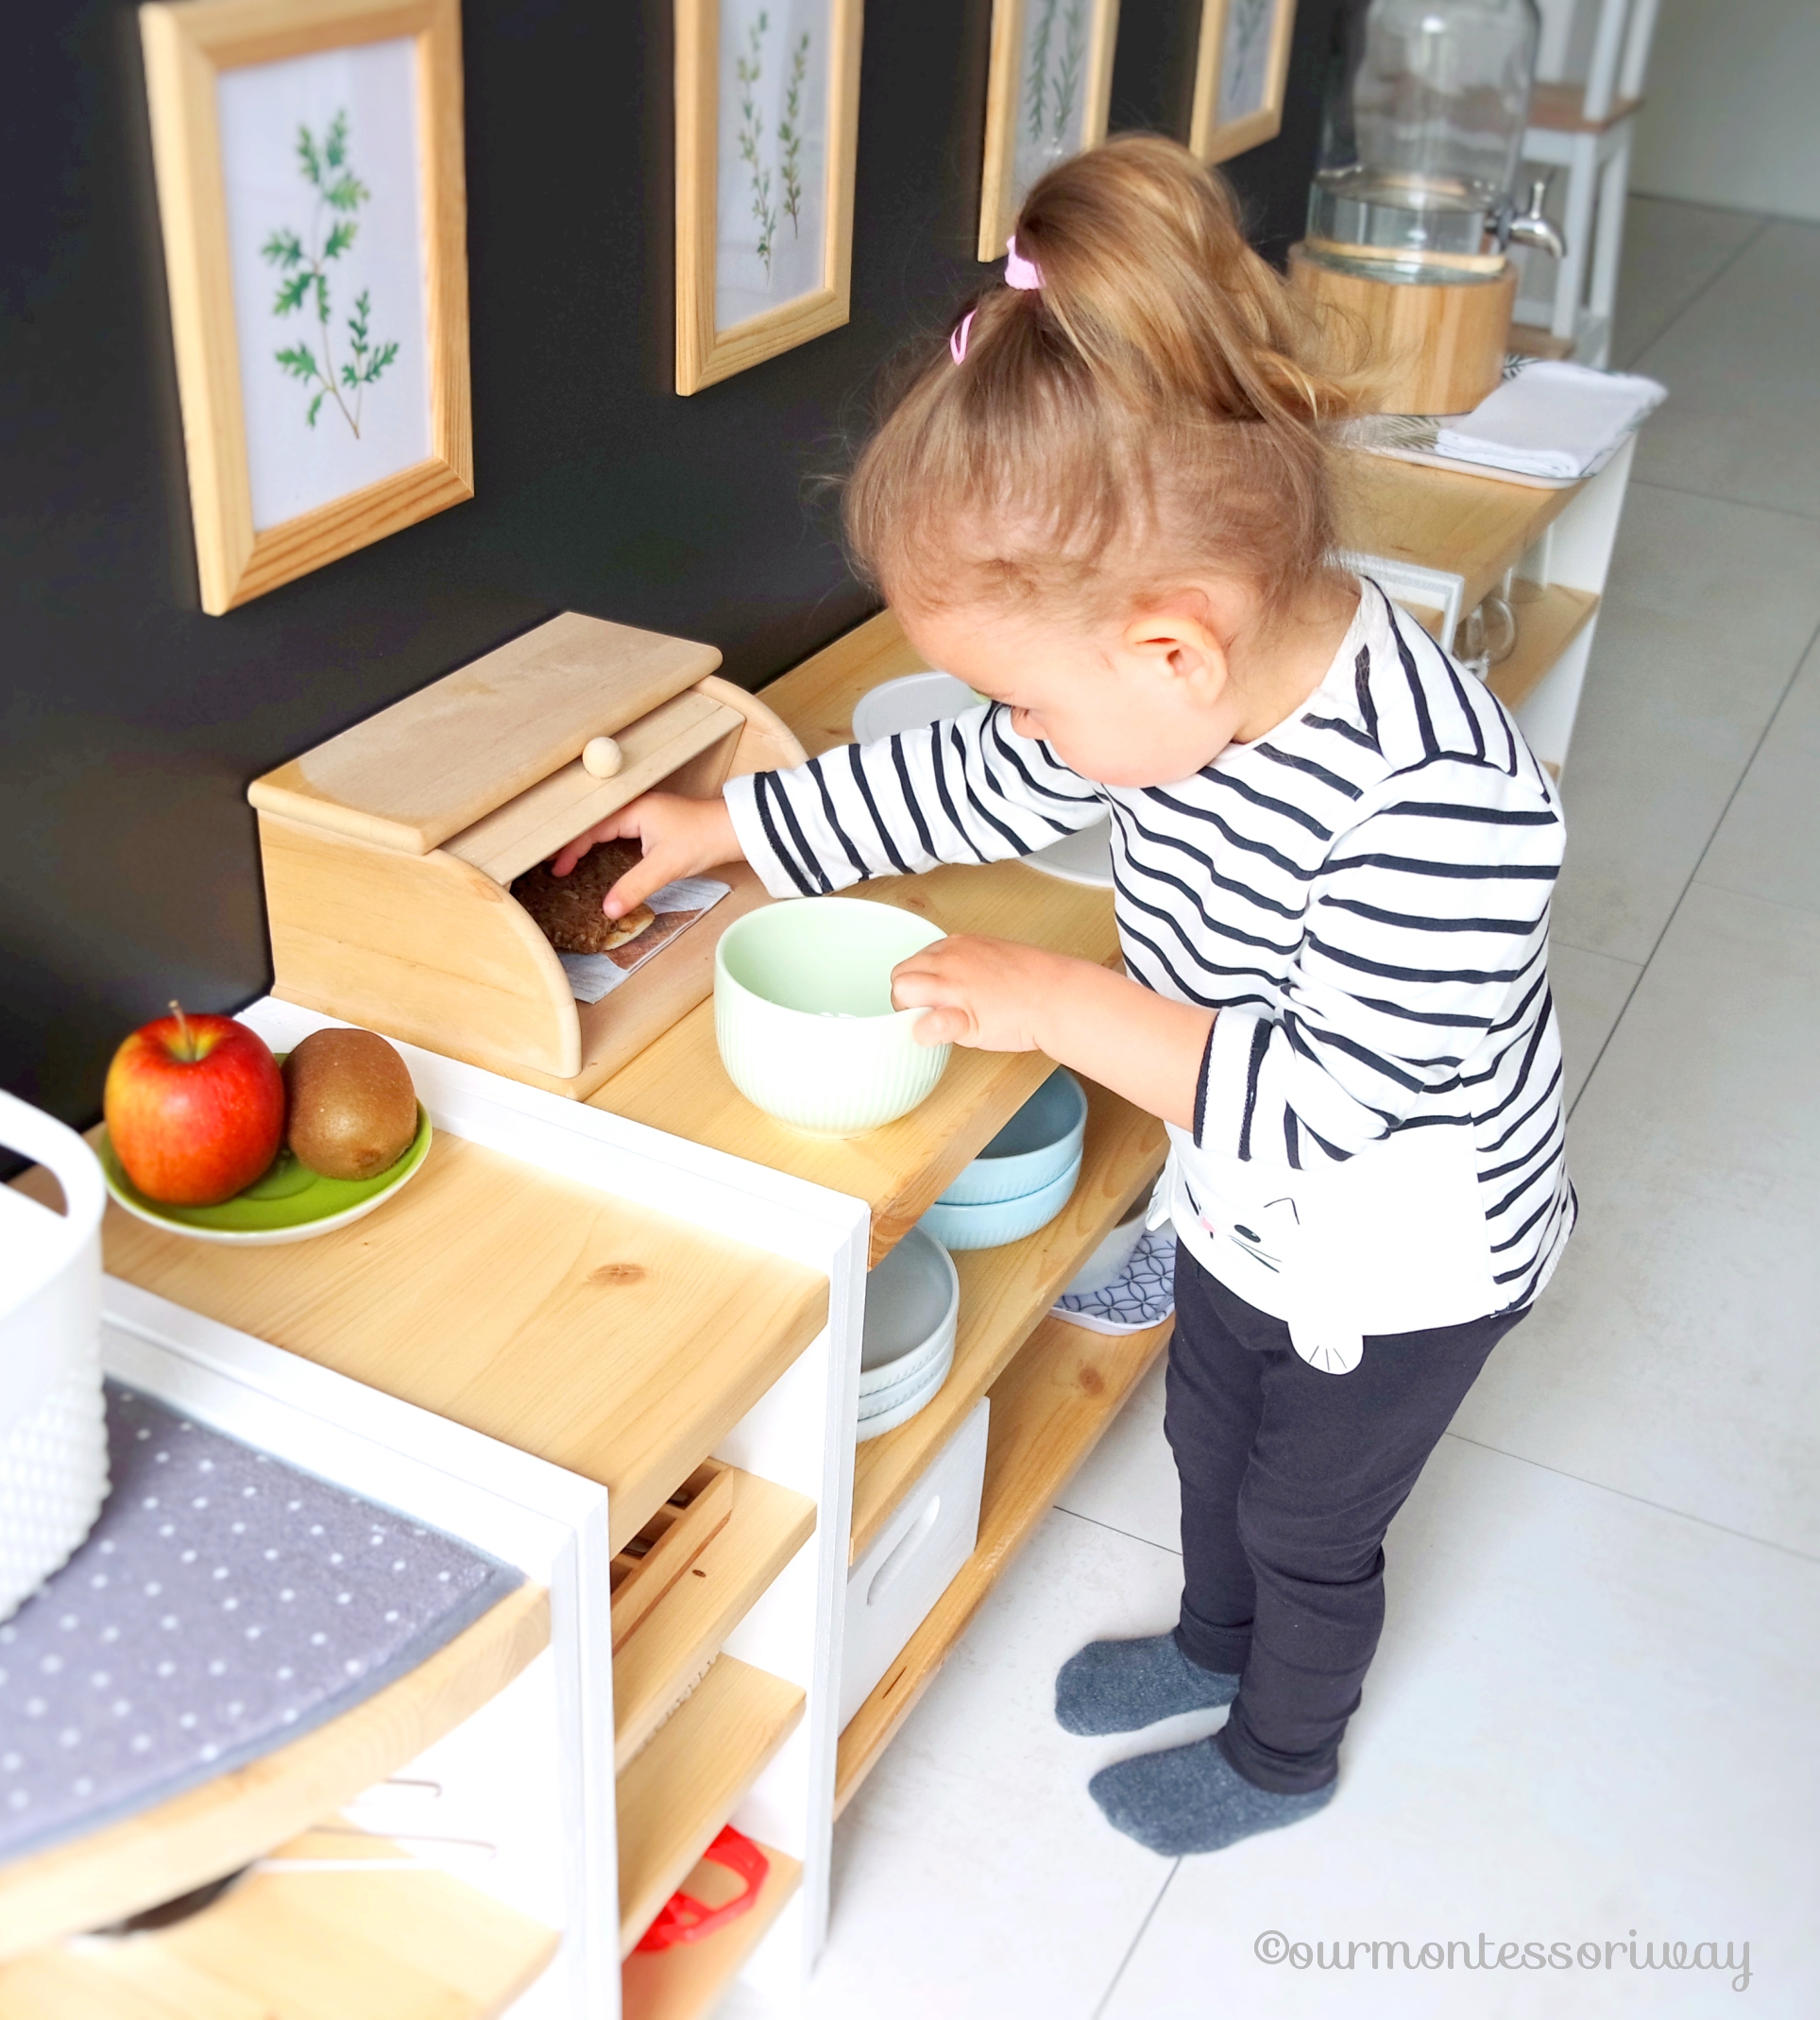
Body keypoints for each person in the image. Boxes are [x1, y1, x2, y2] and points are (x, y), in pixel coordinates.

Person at [553, 134, 1572, 1856]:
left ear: (1169, 646)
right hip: (1248, 1206)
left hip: (1403, 1248)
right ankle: (1208, 1635)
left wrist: (1051, 994)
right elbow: (975, 784)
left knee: (1311, 1515)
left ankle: (1281, 1751)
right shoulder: (1192, 678)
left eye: (1029, 697)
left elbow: (1324, 1109)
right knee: (1207, 1426)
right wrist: (731, 820)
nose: (1027, 738)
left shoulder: (1440, 807)